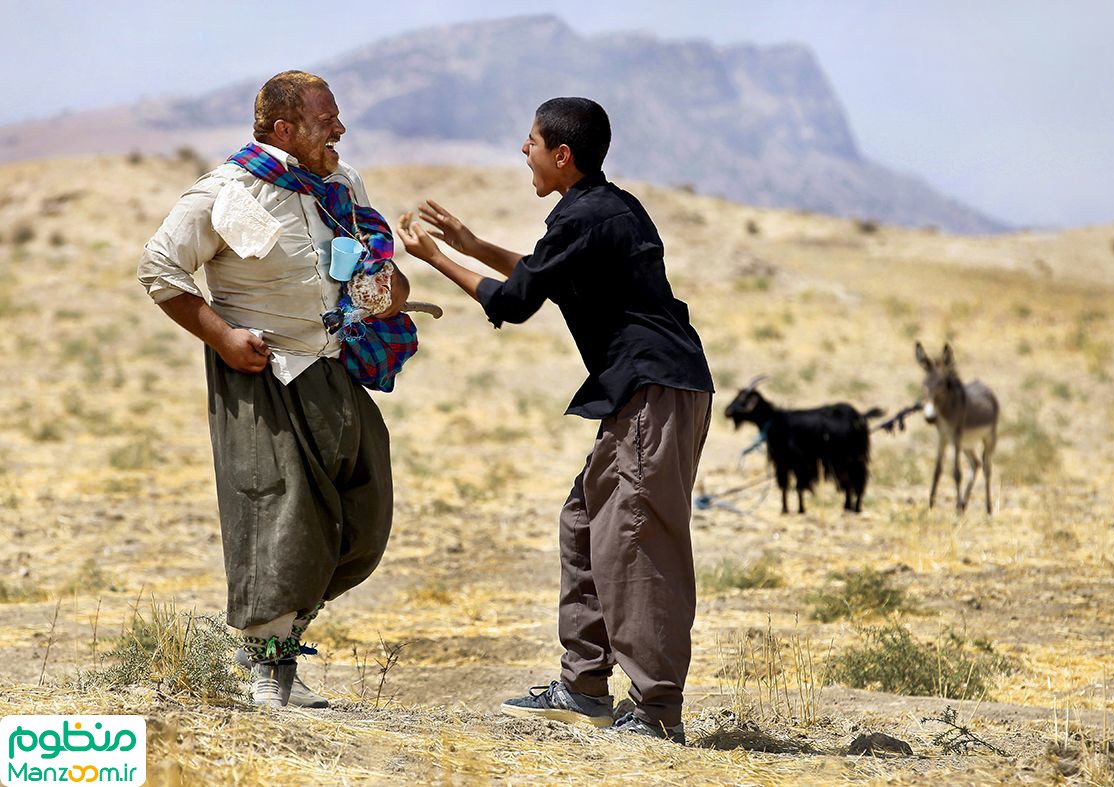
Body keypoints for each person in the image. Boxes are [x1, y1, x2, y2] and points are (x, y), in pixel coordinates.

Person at [396, 97, 713, 744]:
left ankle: (656, 709)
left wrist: (433, 258)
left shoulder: (587, 214)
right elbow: (547, 280)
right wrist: (470, 244)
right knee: (585, 521)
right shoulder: (598, 208)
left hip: (654, 390)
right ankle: (584, 684)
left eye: (531, 141)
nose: (523, 151)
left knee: (634, 540)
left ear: (561, 155)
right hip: (646, 389)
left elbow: (513, 303)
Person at [137, 70, 414, 708]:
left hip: (339, 366)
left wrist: (386, 289)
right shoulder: (226, 190)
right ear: (284, 129)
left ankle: (282, 639)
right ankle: (269, 670)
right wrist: (222, 337)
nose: (340, 130)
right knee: (276, 517)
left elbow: (372, 268)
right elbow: (160, 268)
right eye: (327, 120)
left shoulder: (340, 187)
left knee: (363, 520)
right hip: (264, 371)